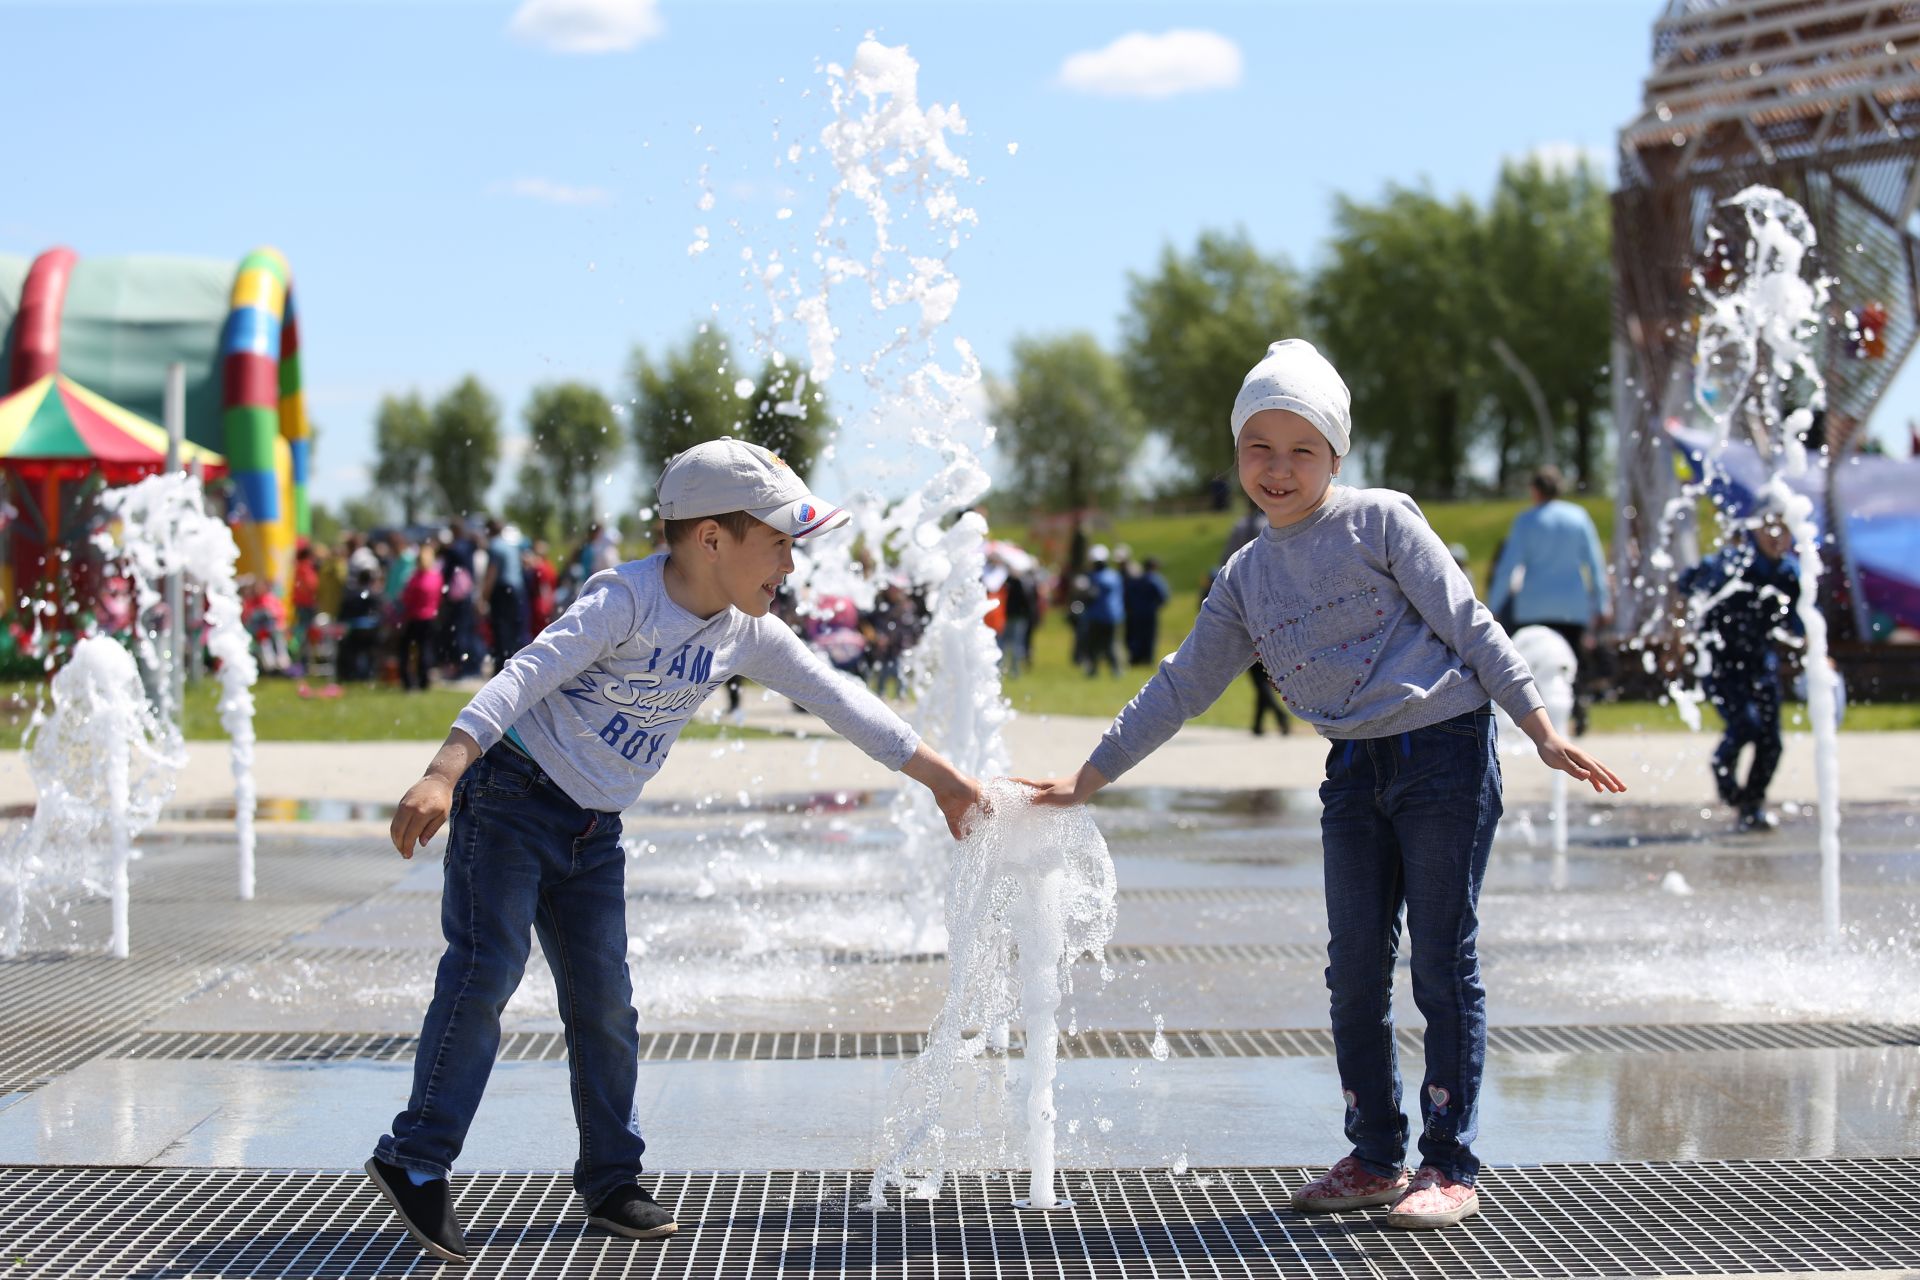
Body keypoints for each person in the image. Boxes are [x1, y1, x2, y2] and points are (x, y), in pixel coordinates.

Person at [1017, 340, 1624, 1232]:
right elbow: (1182, 684)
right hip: (1354, 770)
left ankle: (1449, 1163)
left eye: (1302, 448)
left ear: (1335, 455)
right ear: (1236, 456)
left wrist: (1538, 725)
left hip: (1445, 751)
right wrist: (1091, 773)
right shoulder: (1246, 578)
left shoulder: (1380, 520)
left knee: (1441, 961)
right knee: (1353, 972)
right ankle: (1376, 1155)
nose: (1279, 467)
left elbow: (1470, 619)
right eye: (1258, 446)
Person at [367, 439, 984, 1263]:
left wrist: (943, 779)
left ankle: (612, 1178)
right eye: (779, 543)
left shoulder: (746, 633)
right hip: (511, 803)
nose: (789, 567)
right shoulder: (622, 599)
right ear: (712, 539)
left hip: (594, 832)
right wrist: (446, 771)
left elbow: (841, 699)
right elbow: (524, 674)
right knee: (487, 970)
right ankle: (415, 1159)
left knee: (605, 1004)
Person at [1675, 497, 1802, 831]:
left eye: (1785, 529)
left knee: (1771, 741)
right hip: (1721, 664)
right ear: (1754, 530)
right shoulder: (1731, 564)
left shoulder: (1790, 573)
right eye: (1769, 527)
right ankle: (1724, 770)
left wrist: (1818, 652)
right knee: (1746, 724)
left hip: (1762, 664)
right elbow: (1685, 585)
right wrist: (1680, 633)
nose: (1777, 536)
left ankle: (1752, 804)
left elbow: (1802, 624)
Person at [1486, 466, 1611, 734]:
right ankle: (1578, 712)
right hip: (1572, 606)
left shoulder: (1527, 521)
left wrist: (1493, 605)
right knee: (1572, 661)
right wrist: (1602, 602)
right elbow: (1595, 563)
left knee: (1533, 663)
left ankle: (1539, 724)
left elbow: (1508, 567)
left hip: (1534, 606)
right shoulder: (1578, 518)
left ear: (1535, 490)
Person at [482, 518, 529, 674]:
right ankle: (512, 663)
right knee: (513, 629)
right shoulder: (510, 546)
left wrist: (483, 598)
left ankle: (500, 668)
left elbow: (492, 573)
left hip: (502, 589)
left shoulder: (494, 546)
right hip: (517, 589)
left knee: (500, 629)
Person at [397, 547, 442, 692]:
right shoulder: (436, 577)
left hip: (414, 617)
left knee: (406, 651)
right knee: (425, 650)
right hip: (431, 617)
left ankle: (408, 681)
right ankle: (424, 680)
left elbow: (406, 598)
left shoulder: (416, 578)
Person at [1081, 546, 1124, 677]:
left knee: (1094, 644)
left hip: (1097, 616)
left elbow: (1090, 596)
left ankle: (1093, 670)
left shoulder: (1094, 577)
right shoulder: (1115, 575)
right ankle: (1116, 669)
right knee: (1111, 643)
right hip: (1114, 615)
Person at [1123, 556, 1172, 666]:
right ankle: (1148, 659)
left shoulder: (1137, 579)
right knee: (1149, 637)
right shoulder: (1155, 579)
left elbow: (1129, 594)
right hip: (1150, 613)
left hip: (1136, 613)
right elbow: (1163, 596)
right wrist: (1156, 605)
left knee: (1137, 636)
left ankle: (1136, 658)